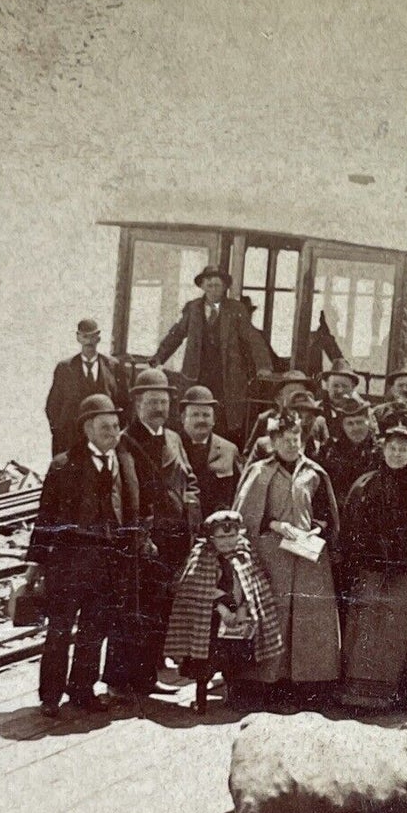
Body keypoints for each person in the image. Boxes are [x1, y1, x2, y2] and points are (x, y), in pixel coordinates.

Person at [26, 393, 141, 718]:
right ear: (88, 428)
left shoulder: (125, 460)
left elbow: (132, 507)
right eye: (106, 426)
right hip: (69, 565)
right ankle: (50, 696)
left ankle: (82, 690)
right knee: (59, 631)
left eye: (116, 426)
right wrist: (36, 562)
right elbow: (45, 516)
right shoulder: (64, 464)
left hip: (108, 565)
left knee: (94, 632)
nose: (113, 432)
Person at [106, 368, 201, 700]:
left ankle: (147, 678)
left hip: (173, 540)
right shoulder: (125, 441)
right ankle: (119, 682)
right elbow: (123, 493)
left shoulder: (174, 438)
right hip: (142, 540)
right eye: (152, 402)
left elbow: (189, 479)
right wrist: (139, 535)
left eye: (163, 401)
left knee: (159, 610)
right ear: (137, 403)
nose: (159, 408)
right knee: (130, 611)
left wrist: (191, 507)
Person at [234, 409, 342, 695]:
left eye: (295, 438)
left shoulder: (314, 473)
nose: (291, 444)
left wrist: (315, 530)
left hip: (309, 556)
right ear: (273, 442)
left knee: (310, 616)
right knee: (274, 615)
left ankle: (307, 683)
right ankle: (268, 682)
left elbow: (325, 514)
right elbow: (247, 514)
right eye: (284, 439)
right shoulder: (260, 471)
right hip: (272, 554)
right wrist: (276, 524)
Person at [340, 415, 407, 710]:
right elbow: (351, 529)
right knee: (370, 634)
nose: (397, 454)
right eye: (392, 448)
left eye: (404, 449)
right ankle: (363, 696)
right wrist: (372, 557)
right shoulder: (365, 485)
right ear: (383, 449)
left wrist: (406, 557)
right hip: (372, 570)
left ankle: (404, 694)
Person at [165, 510, 284, 713]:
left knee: (234, 662)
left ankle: (233, 697)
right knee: (205, 664)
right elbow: (195, 588)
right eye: (222, 537)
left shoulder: (244, 554)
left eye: (232, 536)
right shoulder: (202, 557)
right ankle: (200, 700)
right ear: (211, 538)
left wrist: (244, 608)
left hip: (238, 617)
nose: (228, 541)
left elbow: (254, 585)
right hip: (211, 621)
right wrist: (222, 607)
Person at [150, 265, 274, 441]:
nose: (213, 288)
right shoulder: (192, 309)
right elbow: (176, 335)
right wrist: (158, 358)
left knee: (222, 422)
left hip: (226, 379)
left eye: (217, 285)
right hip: (196, 377)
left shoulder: (235, 310)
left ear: (224, 287)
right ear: (202, 286)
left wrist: (264, 366)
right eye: (209, 285)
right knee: (194, 417)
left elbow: (253, 338)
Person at [44, 318, 128, 457]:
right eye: (85, 336)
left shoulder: (113, 367)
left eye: (93, 336)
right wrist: (61, 433)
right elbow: (52, 406)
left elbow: (125, 404)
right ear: (78, 338)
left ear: (99, 337)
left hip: (104, 441)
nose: (89, 341)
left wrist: (114, 433)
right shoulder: (65, 368)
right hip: (71, 441)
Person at [176, 384, 243, 518]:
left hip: (218, 528)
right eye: (195, 415)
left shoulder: (229, 450)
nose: (201, 420)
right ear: (183, 418)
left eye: (206, 415)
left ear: (214, 419)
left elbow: (240, 492)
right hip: (181, 526)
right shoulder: (172, 448)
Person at [315, 395, 379, 507]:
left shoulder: (380, 452)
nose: (355, 428)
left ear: (368, 422)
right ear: (342, 426)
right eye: (350, 423)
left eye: (360, 422)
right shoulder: (329, 452)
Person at [317, 359, 362, 429]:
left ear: (352, 388)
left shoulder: (361, 411)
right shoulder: (317, 410)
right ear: (327, 386)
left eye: (345, 386)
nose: (340, 391)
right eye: (335, 386)